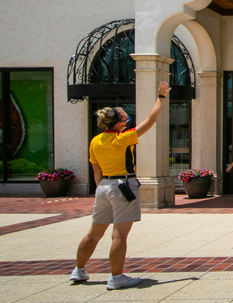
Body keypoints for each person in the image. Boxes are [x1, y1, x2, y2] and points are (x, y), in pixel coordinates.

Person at [70, 82, 169, 290]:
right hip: (123, 184)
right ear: (117, 124)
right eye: (125, 118)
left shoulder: (95, 141)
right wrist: (161, 97)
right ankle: (116, 277)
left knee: (93, 233)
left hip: (104, 186)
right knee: (119, 235)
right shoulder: (122, 139)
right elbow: (151, 120)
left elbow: (96, 170)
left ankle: (79, 270)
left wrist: (100, 190)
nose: (127, 120)